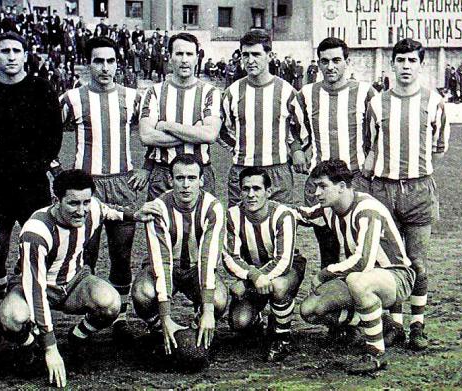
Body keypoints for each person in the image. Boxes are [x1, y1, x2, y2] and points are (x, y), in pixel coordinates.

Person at [0, 169, 159, 388]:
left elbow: (109, 211)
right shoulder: (36, 231)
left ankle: (78, 337)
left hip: (73, 282)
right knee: (11, 317)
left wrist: (134, 215)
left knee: (111, 302)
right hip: (34, 286)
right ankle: (30, 347)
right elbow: (35, 291)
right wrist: (50, 348)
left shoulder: (91, 208)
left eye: (86, 202)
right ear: (56, 200)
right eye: (73, 203)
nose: (81, 210)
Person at [365, 38, 450, 351]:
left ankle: (418, 325)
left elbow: (439, 149)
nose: (405, 67)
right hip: (383, 189)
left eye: (412, 61)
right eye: (400, 61)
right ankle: (395, 325)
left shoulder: (434, 102)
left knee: (417, 261)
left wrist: (414, 171)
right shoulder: (377, 103)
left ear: (421, 64)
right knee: (389, 261)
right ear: (392, 64)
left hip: (418, 189)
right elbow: (370, 148)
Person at [60, 36, 149, 335]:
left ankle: (120, 317)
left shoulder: (133, 97)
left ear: (118, 63)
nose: (105, 67)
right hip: (88, 187)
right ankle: (91, 314)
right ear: (88, 64)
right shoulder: (72, 98)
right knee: (87, 254)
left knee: (122, 255)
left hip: (123, 183)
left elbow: (153, 132)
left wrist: (147, 167)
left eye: (111, 61)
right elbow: (44, 133)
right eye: (98, 61)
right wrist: (57, 170)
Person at [0, 31, 63, 295]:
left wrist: (37, 165)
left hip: (33, 182)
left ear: (25, 56)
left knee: (37, 239)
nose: (11, 56)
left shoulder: (41, 89)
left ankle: (29, 293)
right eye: (5, 51)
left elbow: (53, 134)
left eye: (16, 51)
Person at [296, 159, 416, 374]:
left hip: (395, 276)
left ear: (341, 187)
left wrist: (324, 274)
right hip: (360, 278)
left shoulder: (367, 210)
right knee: (310, 310)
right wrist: (270, 208)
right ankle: (386, 325)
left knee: (356, 280)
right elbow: (302, 214)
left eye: (323, 186)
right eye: (315, 187)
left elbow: (362, 262)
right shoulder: (329, 209)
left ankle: (376, 353)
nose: (316, 193)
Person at [291, 38, 377, 314]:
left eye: (336, 60)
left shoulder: (365, 93)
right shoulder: (306, 94)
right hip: (320, 184)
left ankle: (364, 308)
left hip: (354, 182)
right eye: (324, 61)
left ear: (347, 62)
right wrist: (297, 150)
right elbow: (293, 127)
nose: (330, 66)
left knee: (360, 250)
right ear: (318, 63)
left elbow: (378, 132)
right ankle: (334, 314)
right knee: (328, 249)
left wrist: (372, 156)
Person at [132, 154, 228, 355]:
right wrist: (166, 316)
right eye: (180, 178)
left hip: (196, 269)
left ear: (201, 180)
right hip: (168, 268)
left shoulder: (213, 207)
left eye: (192, 178)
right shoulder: (157, 208)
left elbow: (208, 259)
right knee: (143, 293)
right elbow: (161, 262)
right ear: (170, 180)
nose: (186, 185)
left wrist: (208, 311)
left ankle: (195, 331)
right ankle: (161, 330)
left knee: (218, 300)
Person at [223, 167, 306, 362]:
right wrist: (253, 277)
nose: (251, 195)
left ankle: (282, 337)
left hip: (286, 270)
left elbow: (283, 260)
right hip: (251, 273)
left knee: (278, 286)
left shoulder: (284, 215)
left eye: (257, 189)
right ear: (240, 191)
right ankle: (259, 319)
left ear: (268, 192)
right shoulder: (232, 215)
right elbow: (230, 257)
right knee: (239, 323)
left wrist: (249, 281)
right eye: (245, 189)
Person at [220, 30, 299, 207]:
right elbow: (222, 129)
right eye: (245, 55)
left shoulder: (287, 92)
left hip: (277, 170)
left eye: (256, 54)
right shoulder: (232, 92)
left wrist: (295, 150)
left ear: (269, 56)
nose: (250, 60)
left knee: (280, 225)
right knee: (241, 227)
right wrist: (238, 147)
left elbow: (299, 128)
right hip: (243, 169)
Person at [139, 33, 222, 201]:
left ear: (197, 58)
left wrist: (166, 125)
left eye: (189, 54)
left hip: (199, 172)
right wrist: (195, 133)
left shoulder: (210, 92)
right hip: (163, 172)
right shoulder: (154, 91)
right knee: (161, 225)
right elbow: (146, 136)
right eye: (179, 54)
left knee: (200, 225)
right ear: (170, 58)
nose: (184, 60)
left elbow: (210, 135)